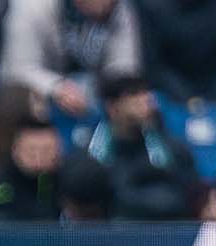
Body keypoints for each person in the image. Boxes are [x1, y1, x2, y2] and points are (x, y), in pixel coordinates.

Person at [0, 0, 140, 120]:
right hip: (45, 87)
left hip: (95, 86)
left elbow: (124, 59)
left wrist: (119, 91)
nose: (108, 2)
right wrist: (56, 88)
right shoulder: (32, 11)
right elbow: (19, 68)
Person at [85, 72, 201, 220]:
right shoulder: (93, 154)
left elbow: (186, 195)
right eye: (134, 94)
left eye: (146, 92)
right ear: (112, 107)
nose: (146, 99)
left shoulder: (173, 150)